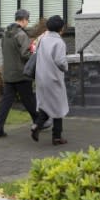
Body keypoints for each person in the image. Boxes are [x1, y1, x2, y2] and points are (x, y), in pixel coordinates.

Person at [0, 9, 38, 137]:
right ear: (23, 20)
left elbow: (4, 50)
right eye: (27, 20)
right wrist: (34, 51)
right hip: (21, 74)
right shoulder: (21, 35)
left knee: (5, 103)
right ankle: (39, 122)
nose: (27, 23)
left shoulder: (5, 33)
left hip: (8, 73)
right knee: (29, 100)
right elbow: (25, 54)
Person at [30, 15, 69, 145]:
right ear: (61, 28)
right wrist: (65, 67)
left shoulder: (43, 39)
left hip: (41, 77)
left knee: (46, 104)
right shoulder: (59, 42)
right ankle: (56, 136)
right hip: (53, 78)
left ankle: (37, 125)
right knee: (58, 107)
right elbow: (60, 61)